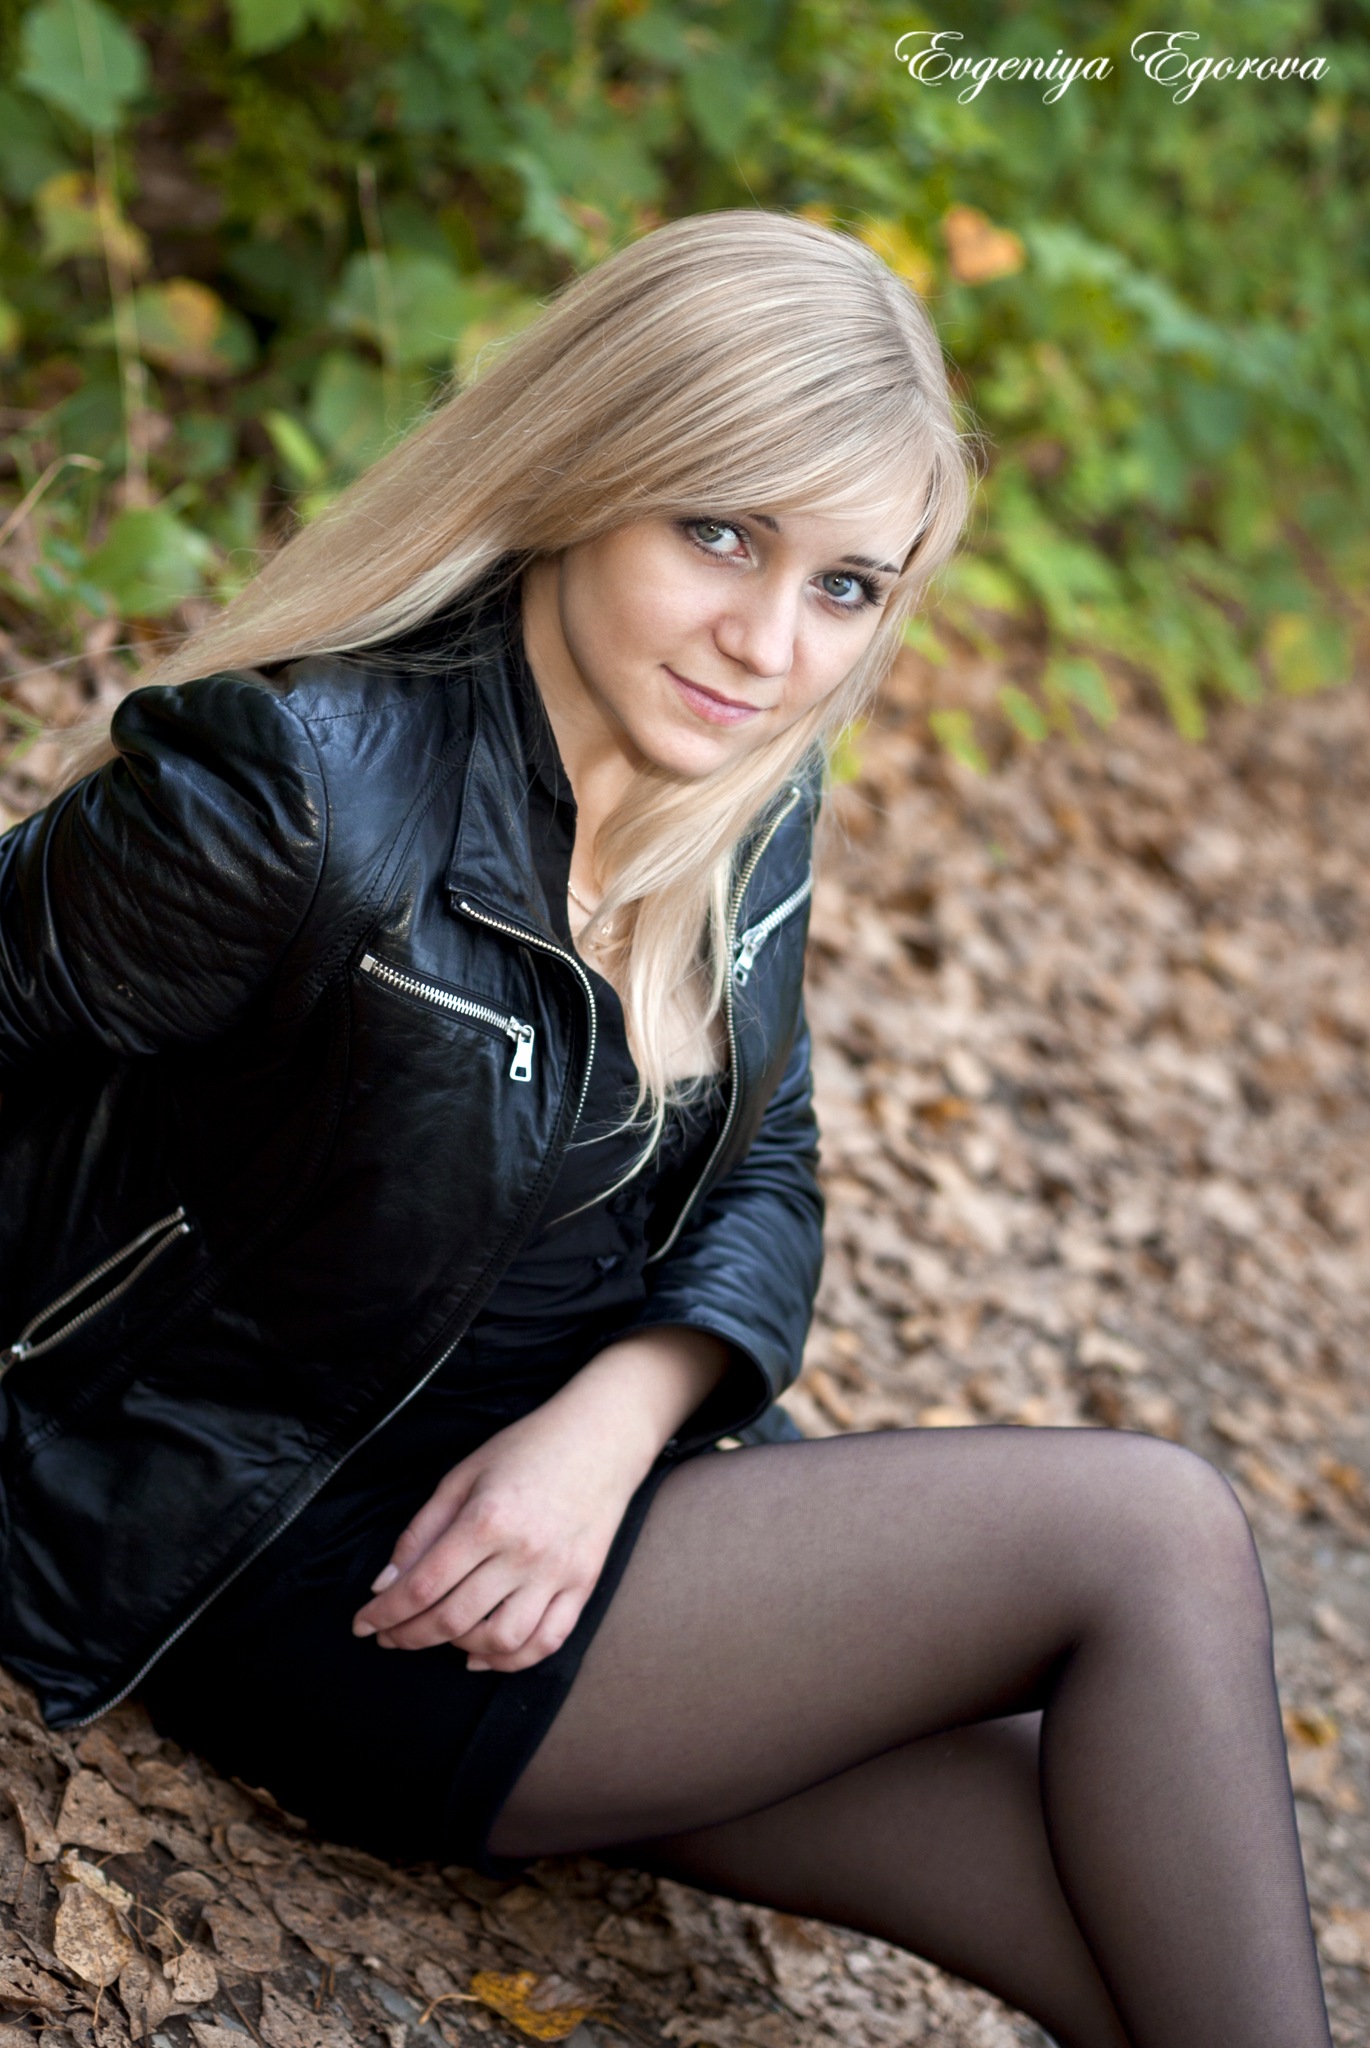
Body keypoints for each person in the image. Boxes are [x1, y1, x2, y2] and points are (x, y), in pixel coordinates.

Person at [0, 211, 1332, 2048]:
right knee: (1148, 1533)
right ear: (584, 470)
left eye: (845, 585)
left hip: (594, 1495)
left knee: (1129, 1895)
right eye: (719, 532)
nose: (770, 645)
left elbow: (765, 1167)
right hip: (321, 1563)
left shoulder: (739, 783)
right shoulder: (288, 790)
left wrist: (613, 1422)